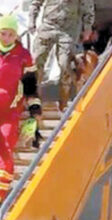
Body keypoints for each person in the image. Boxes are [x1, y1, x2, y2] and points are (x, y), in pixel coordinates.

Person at [0, 14, 42, 202]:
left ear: (16, 35)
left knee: (6, 148)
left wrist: (34, 113)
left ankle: (1, 195)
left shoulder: (23, 56)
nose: (6, 38)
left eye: (10, 34)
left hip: (10, 112)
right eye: (2, 33)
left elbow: (31, 86)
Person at [28, 0, 95, 111]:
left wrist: (87, 27)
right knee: (36, 62)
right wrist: (32, 20)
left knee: (65, 65)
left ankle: (63, 102)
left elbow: (88, 8)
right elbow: (36, 3)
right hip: (48, 26)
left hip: (68, 30)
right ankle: (35, 100)